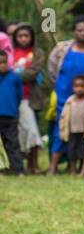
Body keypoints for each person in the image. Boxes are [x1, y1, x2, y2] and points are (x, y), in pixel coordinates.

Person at [46, 17, 84, 174]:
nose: (83, 33)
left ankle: (83, 167)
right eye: (79, 30)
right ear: (74, 31)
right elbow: (52, 70)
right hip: (64, 96)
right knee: (61, 129)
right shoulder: (61, 49)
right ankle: (53, 167)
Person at [9, 23, 47, 173]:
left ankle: (33, 165)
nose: (23, 39)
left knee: (32, 130)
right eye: (20, 36)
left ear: (31, 37)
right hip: (12, 98)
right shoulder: (10, 52)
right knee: (15, 132)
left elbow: (33, 72)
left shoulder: (37, 53)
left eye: (26, 36)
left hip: (30, 98)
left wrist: (12, 76)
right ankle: (18, 165)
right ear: (15, 37)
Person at [57, 74, 84, 175]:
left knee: (83, 150)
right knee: (72, 151)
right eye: (76, 86)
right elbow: (64, 116)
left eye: (82, 86)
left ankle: (82, 169)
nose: (79, 89)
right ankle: (72, 169)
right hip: (72, 130)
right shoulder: (70, 101)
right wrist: (63, 129)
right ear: (73, 88)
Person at [0, 49, 24, 174]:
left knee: (13, 143)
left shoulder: (15, 77)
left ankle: (18, 170)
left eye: (4, 62)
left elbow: (19, 95)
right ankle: (2, 169)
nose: (2, 65)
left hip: (10, 116)